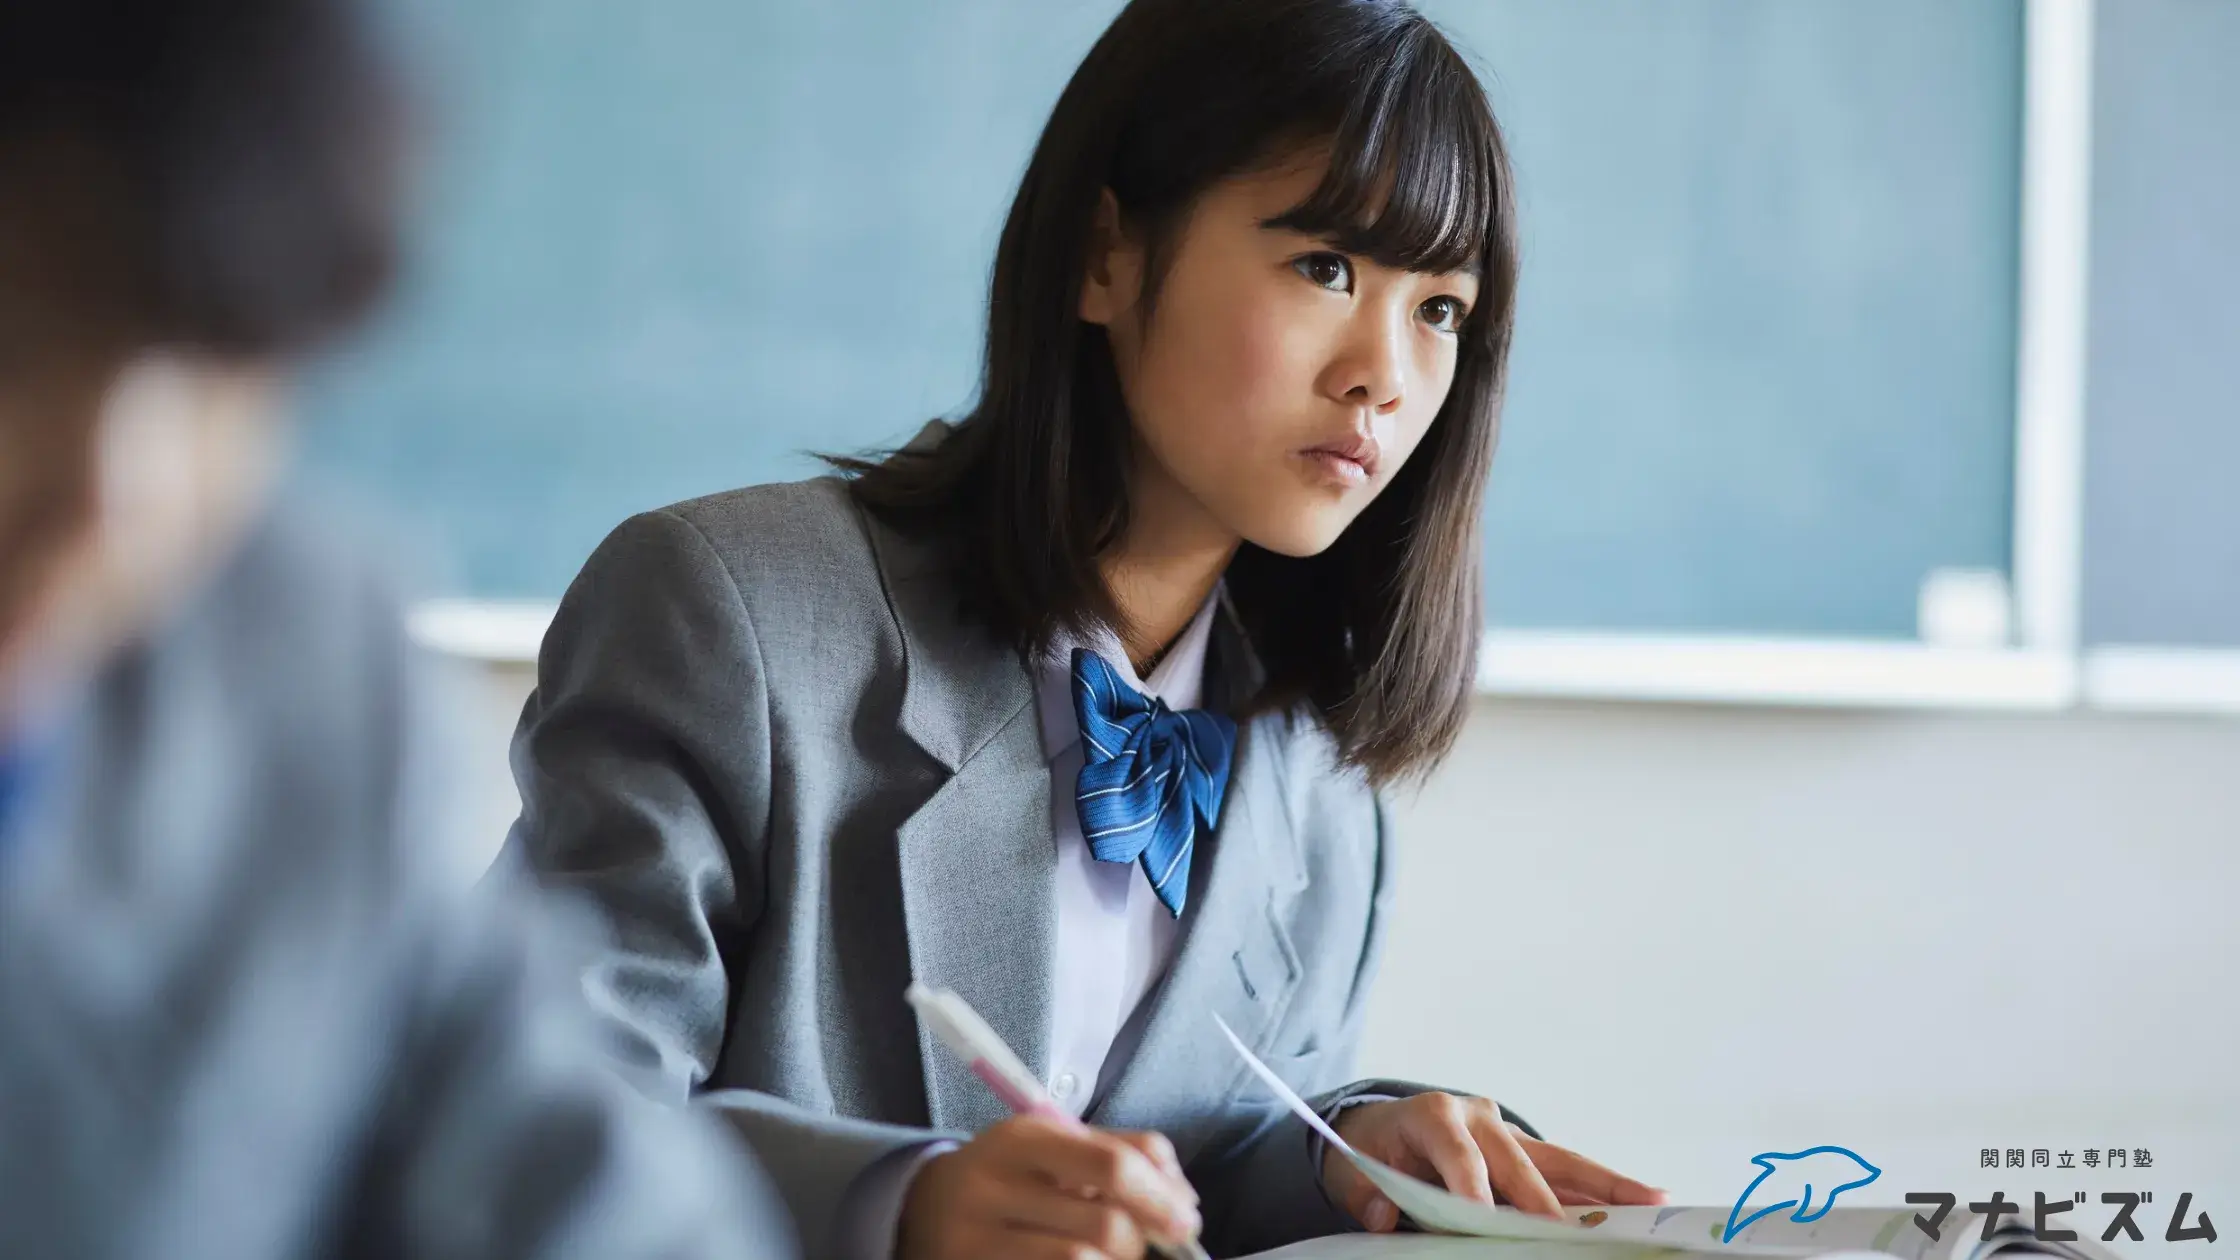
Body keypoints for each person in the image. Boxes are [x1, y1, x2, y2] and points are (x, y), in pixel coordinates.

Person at [499, 1, 1667, 1256]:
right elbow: (526, 1121)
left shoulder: (1322, 795)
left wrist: (1345, 1157)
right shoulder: (727, 610)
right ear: (1103, 255)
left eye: (1441, 309)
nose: (1382, 372)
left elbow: (1189, 1174)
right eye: (1324, 266)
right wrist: (896, 1206)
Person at [0, 0, 793, 1256]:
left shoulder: (310, 662)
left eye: (214, 368)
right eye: (26, 342)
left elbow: (600, 1194)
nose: (115, 490)